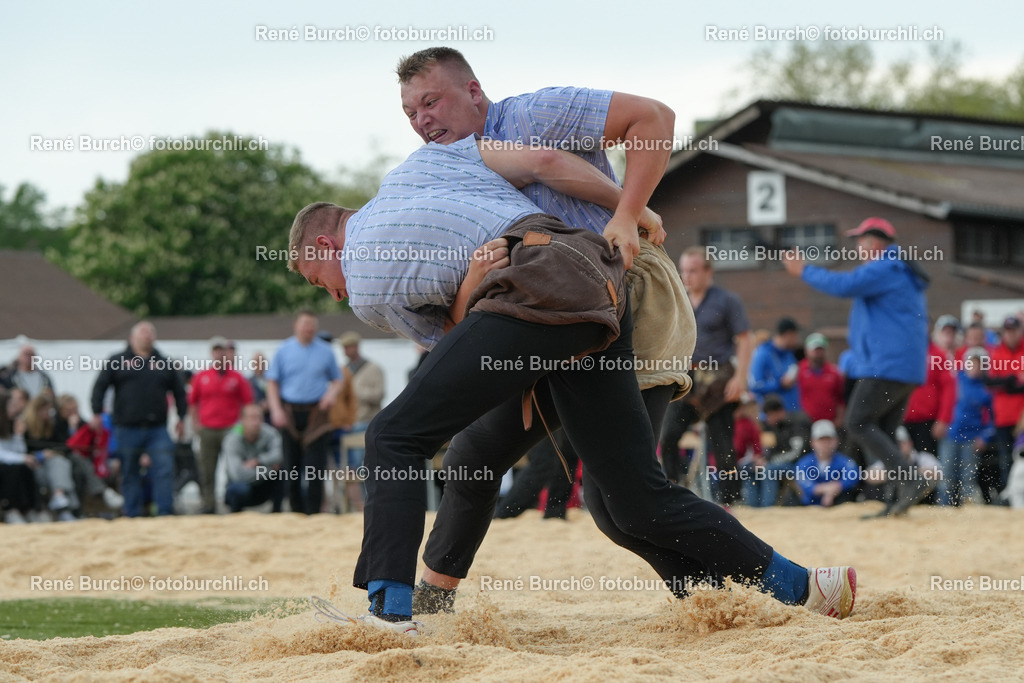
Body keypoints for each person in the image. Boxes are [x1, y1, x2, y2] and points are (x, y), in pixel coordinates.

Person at [288, 137, 856, 634]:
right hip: (592, 290)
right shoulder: (423, 168)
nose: (335, 297)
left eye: (321, 281)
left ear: (326, 246)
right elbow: (545, 161)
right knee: (628, 501)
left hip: (551, 293)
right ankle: (804, 587)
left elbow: (458, 343)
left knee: (393, 434)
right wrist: (632, 210)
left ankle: (391, 612)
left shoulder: (365, 268)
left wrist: (632, 212)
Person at [395, 46, 696, 603]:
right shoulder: (448, 171)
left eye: (431, 102)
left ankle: (726, 590)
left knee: (620, 503)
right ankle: (431, 602)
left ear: (474, 91)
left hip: (627, 296)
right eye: (410, 113)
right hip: (548, 322)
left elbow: (654, 117)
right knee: (473, 455)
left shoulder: (533, 115)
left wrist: (629, 213)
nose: (422, 120)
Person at [783, 217, 929, 517]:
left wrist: (804, 271)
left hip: (887, 365)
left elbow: (844, 284)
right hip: (904, 367)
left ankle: (912, 480)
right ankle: (896, 501)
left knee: (857, 422)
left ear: (872, 243)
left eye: (859, 242)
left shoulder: (886, 265)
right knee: (884, 433)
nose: (858, 249)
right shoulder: (897, 269)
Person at [659, 246, 753, 500]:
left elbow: (745, 339)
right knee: (667, 437)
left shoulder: (727, 300)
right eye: (684, 271)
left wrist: (740, 379)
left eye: (693, 270)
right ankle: (672, 492)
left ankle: (731, 501)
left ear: (708, 272)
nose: (687, 276)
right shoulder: (677, 299)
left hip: (720, 379)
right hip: (685, 379)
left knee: (723, 447)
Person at [90, 322, 186, 517]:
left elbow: (179, 392)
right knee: (129, 471)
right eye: (143, 332)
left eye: (151, 332)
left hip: (157, 428)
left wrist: (181, 417)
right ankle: (132, 513)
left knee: (164, 469)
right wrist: (96, 412)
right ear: (132, 337)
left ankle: (165, 512)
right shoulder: (117, 360)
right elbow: (100, 387)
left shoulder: (164, 363)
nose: (148, 335)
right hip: (127, 427)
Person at [265, 311, 342, 515]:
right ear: (295, 325)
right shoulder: (283, 350)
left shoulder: (326, 351)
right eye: (305, 324)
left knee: (315, 469)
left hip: (317, 413)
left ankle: (314, 513)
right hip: (289, 412)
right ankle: (296, 512)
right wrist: (275, 410)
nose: (309, 328)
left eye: (312, 325)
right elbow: (272, 382)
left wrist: (331, 395)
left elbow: (338, 380)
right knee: (291, 467)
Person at [188, 336, 254, 513]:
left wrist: (242, 427)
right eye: (216, 351)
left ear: (227, 353)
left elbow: (247, 403)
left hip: (230, 429)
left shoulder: (237, 378)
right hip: (207, 428)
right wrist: (196, 424)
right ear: (212, 354)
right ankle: (208, 503)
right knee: (207, 469)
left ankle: (231, 501)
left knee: (232, 468)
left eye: (222, 351)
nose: (219, 354)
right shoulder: (202, 377)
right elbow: (193, 402)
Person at [938, 347, 994, 506]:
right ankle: (944, 508)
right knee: (946, 476)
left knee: (968, 478)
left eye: (979, 365)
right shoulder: (954, 381)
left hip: (971, 438)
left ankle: (967, 512)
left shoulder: (986, 389)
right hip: (951, 434)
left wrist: (984, 437)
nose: (975, 368)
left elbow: (991, 419)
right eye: (972, 363)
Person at [904, 316, 957, 457]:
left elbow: (949, 390)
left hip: (927, 422)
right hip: (902, 420)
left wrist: (943, 419)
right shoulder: (902, 354)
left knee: (928, 466)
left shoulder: (939, 356)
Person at [221, 404, 285, 513]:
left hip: (263, 488)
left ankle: (277, 511)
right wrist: (269, 470)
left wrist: (258, 461)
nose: (255, 422)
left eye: (258, 417)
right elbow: (238, 474)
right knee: (238, 488)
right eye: (251, 418)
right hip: (243, 488)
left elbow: (280, 455)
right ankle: (235, 513)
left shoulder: (270, 433)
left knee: (285, 473)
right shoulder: (232, 439)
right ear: (242, 420)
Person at [985, 316, 1024, 493]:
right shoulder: (996, 353)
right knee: (1005, 460)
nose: (1011, 335)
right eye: (1008, 331)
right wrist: (1010, 382)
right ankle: (1009, 495)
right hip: (1003, 417)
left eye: (1014, 330)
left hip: (1022, 417)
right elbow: (990, 382)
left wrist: (1008, 383)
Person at [795, 420, 860, 507]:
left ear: (836, 441)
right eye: (821, 440)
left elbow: (853, 476)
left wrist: (836, 488)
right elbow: (803, 482)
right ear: (812, 442)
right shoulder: (804, 462)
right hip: (809, 504)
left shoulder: (845, 461)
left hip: (838, 503)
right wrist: (827, 489)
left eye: (829, 440)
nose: (825, 444)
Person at [749, 318, 801, 412]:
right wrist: (779, 384)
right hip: (772, 417)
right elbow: (755, 385)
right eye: (795, 336)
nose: (797, 340)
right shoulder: (762, 354)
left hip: (792, 413)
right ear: (788, 334)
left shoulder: (789, 355)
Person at [796, 332, 845, 425]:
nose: (818, 353)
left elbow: (840, 399)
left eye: (820, 349)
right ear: (807, 351)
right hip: (806, 422)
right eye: (815, 350)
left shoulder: (834, 372)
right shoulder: (798, 369)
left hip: (830, 422)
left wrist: (840, 418)